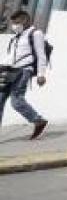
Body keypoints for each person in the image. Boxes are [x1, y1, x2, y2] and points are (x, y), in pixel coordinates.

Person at [0, 10, 49, 139]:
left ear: (25, 20)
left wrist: (41, 74)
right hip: (8, 71)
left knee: (16, 101)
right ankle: (38, 121)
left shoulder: (35, 33)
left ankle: (38, 120)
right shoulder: (17, 36)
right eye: (13, 23)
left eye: (17, 23)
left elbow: (41, 55)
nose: (14, 26)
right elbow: (11, 55)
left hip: (23, 71)